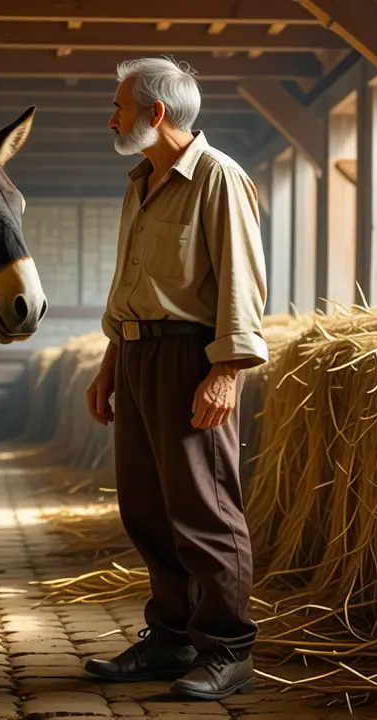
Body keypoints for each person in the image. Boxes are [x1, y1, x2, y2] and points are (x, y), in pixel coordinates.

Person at [82, 56, 268, 701]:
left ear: (154, 114)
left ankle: (228, 650)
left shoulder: (220, 178)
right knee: (146, 508)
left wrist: (227, 371)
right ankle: (172, 638)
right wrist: (111, 363)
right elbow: (132, 286)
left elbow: (243, 282)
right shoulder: (141, 181)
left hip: (191, 358)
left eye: (119, 107)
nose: (112, 118)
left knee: (204, 509)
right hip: (136, 356)